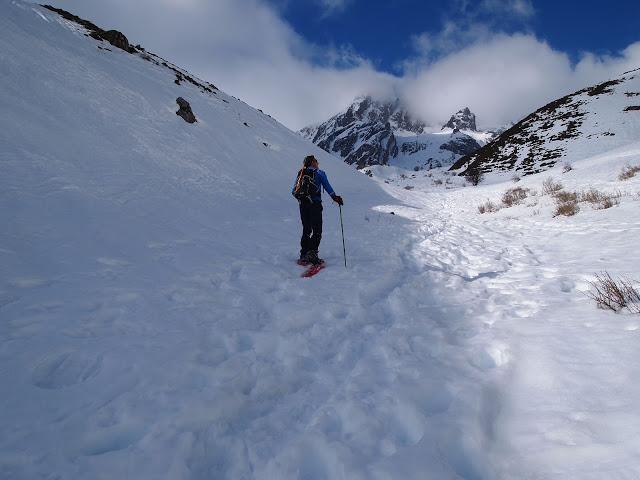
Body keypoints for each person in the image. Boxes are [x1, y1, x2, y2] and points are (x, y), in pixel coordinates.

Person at [292, 155, 343, 265]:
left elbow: (294, 190)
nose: (318, 163)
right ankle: (312, 254)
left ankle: (304, 254)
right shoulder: (320, 173)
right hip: (314, 204)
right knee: (317, 230)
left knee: (306, 229)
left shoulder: (301, 173)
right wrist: (336, 198)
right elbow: (327, 186)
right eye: (316, 161)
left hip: (303, 204)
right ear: (312, 163)